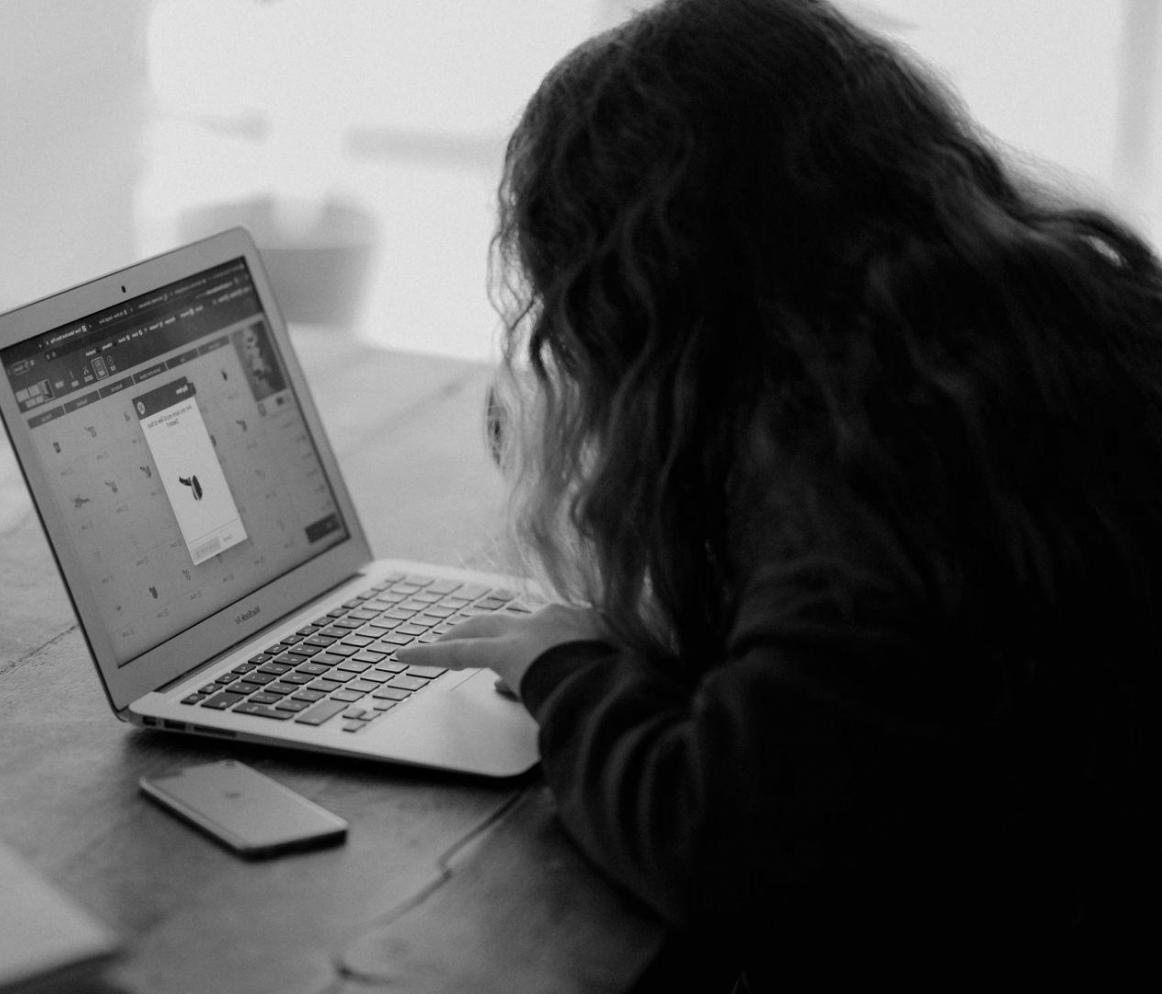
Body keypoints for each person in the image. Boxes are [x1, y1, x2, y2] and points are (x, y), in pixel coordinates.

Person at [399, 0, 1162, 988]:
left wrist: (565, 670)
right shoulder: (1043, 324)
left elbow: (724, 848)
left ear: (636, 288)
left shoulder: (864, 452)